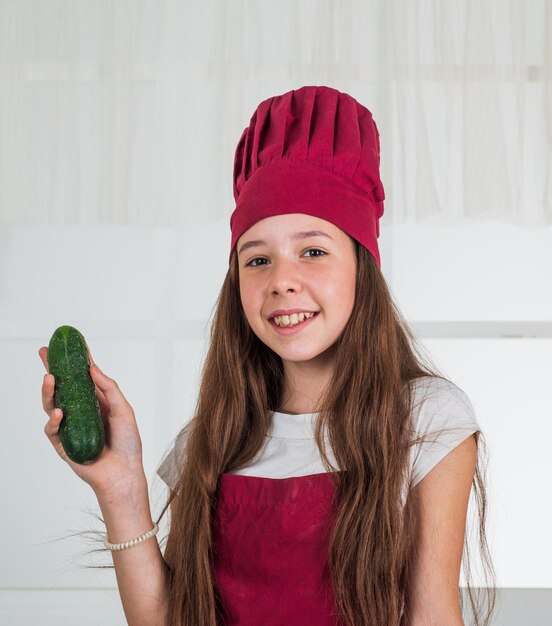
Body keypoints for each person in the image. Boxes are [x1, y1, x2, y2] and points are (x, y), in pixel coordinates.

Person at [39, 85, 496, 626]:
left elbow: (432, 616)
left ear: (362, 265)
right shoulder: (209, 439)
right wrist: (121, 487)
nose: (282, 281)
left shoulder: (428, 420)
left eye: (313, 251)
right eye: (257, 260)